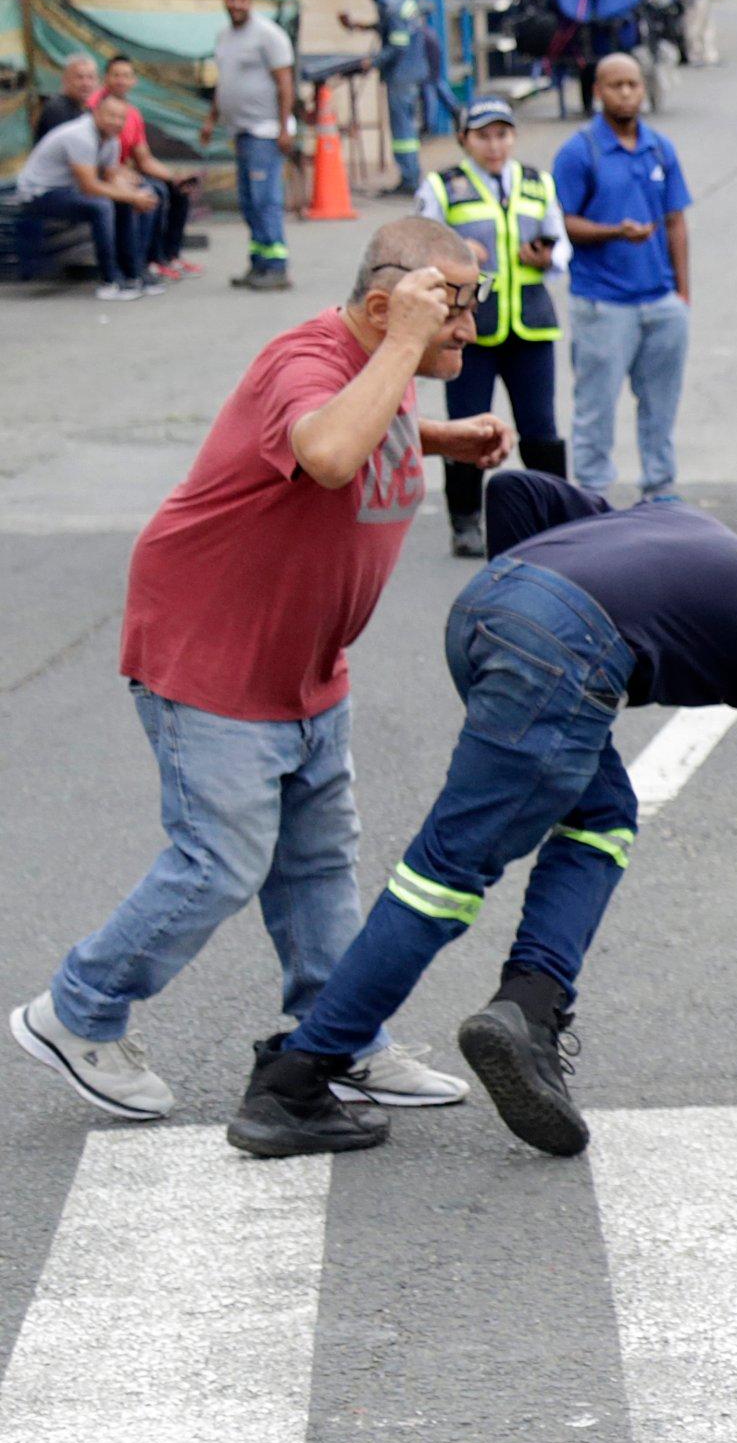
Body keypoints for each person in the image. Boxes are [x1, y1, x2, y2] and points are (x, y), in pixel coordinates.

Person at [223, 472, 737, 1159]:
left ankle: (529, 1007)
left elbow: (513, 492)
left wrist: (527, 615)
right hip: (562, 654)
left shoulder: (682, 522)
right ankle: (294, 1081)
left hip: (481, 612)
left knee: (603, 815)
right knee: (444, 875)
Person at [9, 222, 496, 1125]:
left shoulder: (380, 364)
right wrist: (401, 348)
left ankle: (338, 1036)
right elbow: (324, 450)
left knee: (317, 864)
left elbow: (363, 425)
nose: (472, 328)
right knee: (219, 863)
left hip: (303, 664)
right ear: (387, 307)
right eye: (455, 308)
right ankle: (76, 1012)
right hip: (214, 655)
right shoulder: (308, 361)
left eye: (475, 303)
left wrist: (438, 438)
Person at [420, 98, 570, 558]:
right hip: (470, 333)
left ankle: (557, 518)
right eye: (484, 135)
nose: (494, 145)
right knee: (465, 429)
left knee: (540, 430)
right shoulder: (443, 186)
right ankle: (465, 522)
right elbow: (421, 248)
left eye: (502, 134)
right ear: (464, 139)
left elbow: (560, 242)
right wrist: (454, 251)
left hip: (530, 327)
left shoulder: (535, 181)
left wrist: (548, 257)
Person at [553, 54, 693, 504]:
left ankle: (660, 491)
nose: (627, 93)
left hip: (661, 301)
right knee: (595, 409)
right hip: (603, 303)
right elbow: (562, 223)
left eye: (633, 84)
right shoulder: (580, 152)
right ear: (598, 91)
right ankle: (591, 496)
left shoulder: (659, 148)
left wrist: (682, 293)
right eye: (616, 85)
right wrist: (615, 231)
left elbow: (675, 221)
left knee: (661, 408)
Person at [17, 93, 157, 298]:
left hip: (69, 190)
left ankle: (132, 273)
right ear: (96, 113)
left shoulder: (111, 140)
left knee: (128, 200)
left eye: (121, 118)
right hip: (39, 193)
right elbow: (90, 186)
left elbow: (111, 178)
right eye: (111, 116)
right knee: (102, 206)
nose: (117, 122)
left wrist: (135, 195)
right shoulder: (80, 136)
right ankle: (109, 281)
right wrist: (132, 196)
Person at [215, 0, 300, 291]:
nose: (236, 4)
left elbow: (285, 83)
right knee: (249, 202)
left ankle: (277, 267)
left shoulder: (268, 36)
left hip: (265, 132)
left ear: (251, 2)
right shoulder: (224, 37)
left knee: (265, 200)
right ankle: (259, 263)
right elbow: (225, 81)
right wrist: (213, 120)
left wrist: (282, 127)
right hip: (241, 131)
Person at [94, 53, 200, 283]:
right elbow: (96, 158)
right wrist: (120, 173)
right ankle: (141, 262)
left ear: (134, 82)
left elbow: (144, 159)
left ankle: (169, 256)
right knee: (153, 193)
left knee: (176, 189)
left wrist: (175, 176)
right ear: (106, 79)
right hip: (105, 175)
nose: (121, 80)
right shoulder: (95, 107)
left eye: (126, 76)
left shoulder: (133, 114)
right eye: (116, 75)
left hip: (125, 173)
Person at [351, 0, 429, 197]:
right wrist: (363, 27)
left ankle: (409, 177)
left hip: (402, 73)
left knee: (402, 129)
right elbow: (393, 29)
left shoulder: (389, 2)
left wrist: (372, 62)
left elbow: (397, 45)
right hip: (412, 68)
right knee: (407, 126)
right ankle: (411, 174)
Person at [34, 51, 97, 138]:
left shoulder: (88, 110)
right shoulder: (57, 109)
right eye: (79, 77)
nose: (86, 83)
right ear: (65, 80)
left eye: (90, 77)